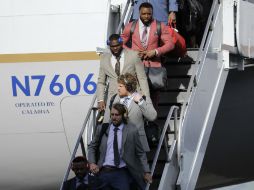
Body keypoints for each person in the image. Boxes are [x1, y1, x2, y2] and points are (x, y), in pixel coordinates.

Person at [122, 2, 174, 110]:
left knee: (154, 95)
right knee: (135, 92)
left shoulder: (160, 26)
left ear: (152, 13)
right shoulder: (131, 26)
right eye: (144, 14)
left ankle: (152, 121)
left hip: (154, 67)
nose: (146, 16)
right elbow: (120, 43)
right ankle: (139, 119)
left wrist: (155, 51)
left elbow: (170, 44)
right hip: (136, 67)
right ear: (139, 13)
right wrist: (133, 53)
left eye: (149, 14)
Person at [88, 103, 152, 190]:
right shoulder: (103, 128)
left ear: (123, 115)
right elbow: (92, 146)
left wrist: (146, 171)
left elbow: (140, 152)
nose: (114, 117)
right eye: (112, 114)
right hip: (103, 171)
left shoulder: (131, 130)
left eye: (117, 115)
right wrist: (92, 163)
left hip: (121, 172)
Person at [96, 33, 150, 115]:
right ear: (109, 46)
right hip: (113, 99)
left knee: (133, 123)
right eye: (112, 46)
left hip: (132, 97)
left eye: (117, 45)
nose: (115, 48)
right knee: (109, 125)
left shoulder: (134, 55)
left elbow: (142, 78)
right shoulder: (104, 59)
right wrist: (100, 100)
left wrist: (146, 97)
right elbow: (101, 82)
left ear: (121, 44)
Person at [104, 73, 157, 152]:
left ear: (128, 86)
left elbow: (152, 116)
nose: (118, 88)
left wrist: (140, 102)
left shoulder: (143, 98)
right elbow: (107, 122)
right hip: (117, 144)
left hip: (137, 145)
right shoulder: (113, 98)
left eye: (120, 86)